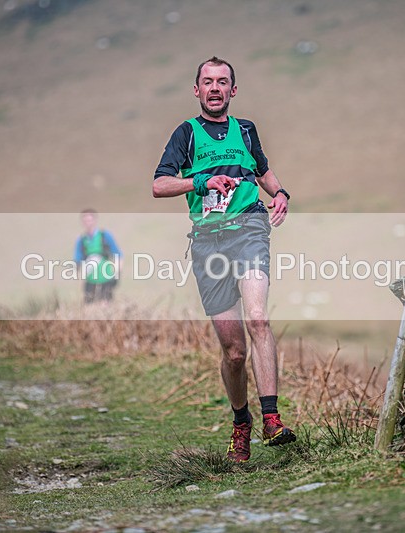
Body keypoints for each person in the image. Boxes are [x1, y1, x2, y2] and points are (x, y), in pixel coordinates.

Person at [153, 56, 294, 462]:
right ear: (196, 90)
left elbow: (264, 172)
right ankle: (241, 423)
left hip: (249, 230)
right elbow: (160, 185)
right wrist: (201, 180)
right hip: (208, 242)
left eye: (222, 82)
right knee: (233, 351)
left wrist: (280, 193)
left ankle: (272, 419)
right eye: (207, 82)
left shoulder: (246, 131)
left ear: (233, 90)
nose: (215, 88)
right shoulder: (187, 134)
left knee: (258, 318)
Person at [74, 208, 123, 304]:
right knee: (89, 308)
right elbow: (77, 261)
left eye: (90, 220)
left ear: (94, 220)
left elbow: (118, 255)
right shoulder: (81, 240)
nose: (88, 223)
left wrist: (117, 275)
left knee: (105, 306)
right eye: (85, 220)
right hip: (90, 280)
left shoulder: (104, 236)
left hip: (106, 278)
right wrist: (79, 278)